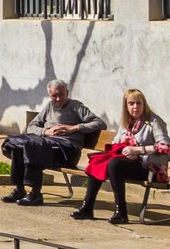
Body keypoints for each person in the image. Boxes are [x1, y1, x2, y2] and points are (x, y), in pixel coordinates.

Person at [0, 80, 105, 206]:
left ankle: (35, 194)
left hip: (67, 150)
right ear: (49, 95)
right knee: (20, 148)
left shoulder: (76, 106)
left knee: (34, 148)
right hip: (48, 144)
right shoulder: (49, 106)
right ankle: (19, 189)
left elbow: (99, 123)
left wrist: (74, 128)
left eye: (61, 95)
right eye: (54, 96)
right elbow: (31, 126)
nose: (58, 98)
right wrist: (46, 131)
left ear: (67, 92)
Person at [71, 88, 169, 224]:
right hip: (129, 164)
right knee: (97, 162)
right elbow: (116, 143)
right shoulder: (126, 123)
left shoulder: (153, 121)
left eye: (138, 103)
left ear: (144, 104)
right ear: (126, 106)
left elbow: (165, 147)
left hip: (149, 168)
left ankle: (121, 212)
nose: (135, 107)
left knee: (115, 164)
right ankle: (87, 208)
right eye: (131, 103)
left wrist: (137, 150)